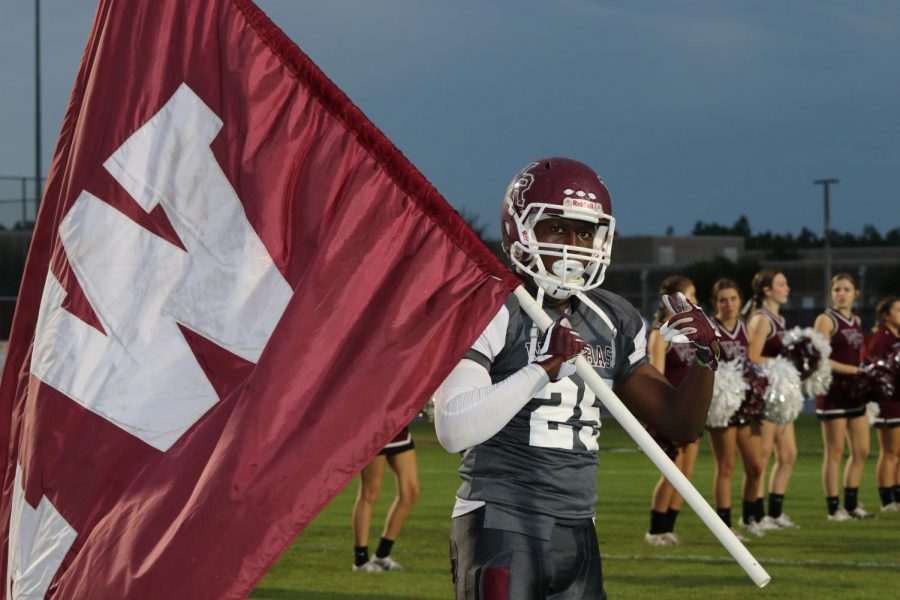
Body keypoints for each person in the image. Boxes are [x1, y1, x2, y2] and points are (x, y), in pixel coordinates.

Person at [434, 157, 719, 599]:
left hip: (579, 525)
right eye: (557, 229)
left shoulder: (612, 317)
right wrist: (540, 370)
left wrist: (706, 361)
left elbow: (679, 423)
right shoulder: (489, 306)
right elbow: (452, 428)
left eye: (585, 232)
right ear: (521, 230)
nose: (574, 245)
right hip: (500, 519)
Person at [644, 276, 704, 546]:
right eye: (691, 295)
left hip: (692, 410)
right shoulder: (660, 333)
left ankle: (668, 528)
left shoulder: (690, 331)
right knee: (672, 472)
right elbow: (657, 377)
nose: (696, 301)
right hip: (673, 412)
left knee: (687, 474)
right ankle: (655, 530)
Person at [706, 279, 766, 538]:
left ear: (740, 301)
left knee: (756, 466)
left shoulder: (745, 327)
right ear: (715, 303)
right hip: (721, 406)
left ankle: (750, 517)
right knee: (726, 466)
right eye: (723, 300)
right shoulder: (709, 328)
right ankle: (725, 526)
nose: (729, 304)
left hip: (745, 405)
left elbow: (752, 362)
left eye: (733, 299)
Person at [813, 274, 871, 520]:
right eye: (837, 289)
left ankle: (851, 504)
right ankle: (833, 508)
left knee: (862, 450)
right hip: (833, 393)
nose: (841, 293)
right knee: (835, 452)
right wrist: (854, 370)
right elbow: (820, 358)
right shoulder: (826, 320)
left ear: (856, 293)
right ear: (831, 293)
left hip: (854, 393)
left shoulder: (855, 320)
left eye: (847, 289)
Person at [746, 269, 798, 529]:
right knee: (763, 456)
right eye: (781, 283)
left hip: (780, 395)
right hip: (765, 395)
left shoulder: (780, 318)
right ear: (767, 290)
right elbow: (752, 356)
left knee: (788, 454)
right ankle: (756, 515)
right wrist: (787, 362)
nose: (787, 288)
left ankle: (775, 513)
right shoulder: (761, 319)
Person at [351, 426, 420, 572]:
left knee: (411, 492)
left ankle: (382, 555)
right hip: (375, 425)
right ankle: (361, 560)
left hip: (398, 427)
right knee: (370, 493)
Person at [864, 297, 900, 512]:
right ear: (886, 315)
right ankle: (886, 500)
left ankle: (897, 495)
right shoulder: (881, 337)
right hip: (887, 402)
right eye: (898, 309)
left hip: (899, 399)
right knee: (889, 452)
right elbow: (874, 369)